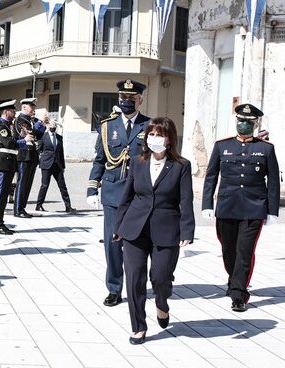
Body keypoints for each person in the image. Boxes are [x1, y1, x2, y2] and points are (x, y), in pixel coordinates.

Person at [113, 117, 194, 345]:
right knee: (134, 279)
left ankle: (162, 303)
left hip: (166, 228)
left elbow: (186, 200)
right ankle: (138, 326)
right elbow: (127, 195)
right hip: (134, 229)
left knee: (160, 277)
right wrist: (118, 226)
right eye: (151, 134)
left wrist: (187, 230)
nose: (153, 139)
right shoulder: (138, 162)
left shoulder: (181, 166)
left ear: (169, 139)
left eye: (159, 135)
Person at [202, 103, 280, 312]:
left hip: (254, 208)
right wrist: (207, 204)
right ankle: (234, 280)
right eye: (240, 120)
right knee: (228, 250)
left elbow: (273, 181)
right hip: (227, 206)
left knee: (244, 251)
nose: (243, 124)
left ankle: (239, 294)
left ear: (255, 124)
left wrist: (272, 211)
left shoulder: (265, 148)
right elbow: (211, 176)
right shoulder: (222, 146)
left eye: (248, 122)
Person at [87, 79, 151, 307]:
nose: (126, 102)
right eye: (123, 98)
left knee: (138, 243)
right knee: (113, 245)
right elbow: (100, 159)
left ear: (140, 100)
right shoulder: (107, 127)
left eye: (131, 99)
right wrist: (92, 187)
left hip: (139, 194)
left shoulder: (150, 126)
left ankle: (137, 284)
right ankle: (114, 288)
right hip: (113, 192)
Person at [0, 99, 32, 235]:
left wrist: (20, 136)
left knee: (3, 196)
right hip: (2, 163)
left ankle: (0, 222)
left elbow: (11, 141)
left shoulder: (7, 125)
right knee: (0, 195)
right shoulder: (1, 125)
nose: (15, 113)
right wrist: (23, 141)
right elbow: (8, 143)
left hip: (8, 163)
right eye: (13, 111)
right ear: (6, 111)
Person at [35, 110, 75, 213]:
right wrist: (39, 162)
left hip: (57, 165)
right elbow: (38, 150)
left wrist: (63, 167)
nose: (53, 126)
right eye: (51, 124)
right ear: (48, 126)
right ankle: (39, 205)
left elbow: (61, 152)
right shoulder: (43, 137)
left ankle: (68, 206)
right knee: (44, 185)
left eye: (54, 125)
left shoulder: (59, 138)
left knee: (63, 186)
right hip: (46, 164)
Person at [13, 98, 45, 218]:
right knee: (22, 182)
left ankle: (22, 208)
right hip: (24, 154)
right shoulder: (20, 120)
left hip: (32, 155)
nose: (34, 110)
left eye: (34, 107)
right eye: (32, 107)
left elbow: (40, 134)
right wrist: (38, 123)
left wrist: (43, 124)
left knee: (28, 183)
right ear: (24, 107)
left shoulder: (31, 120)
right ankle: (18, 209)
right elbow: (29, 132)